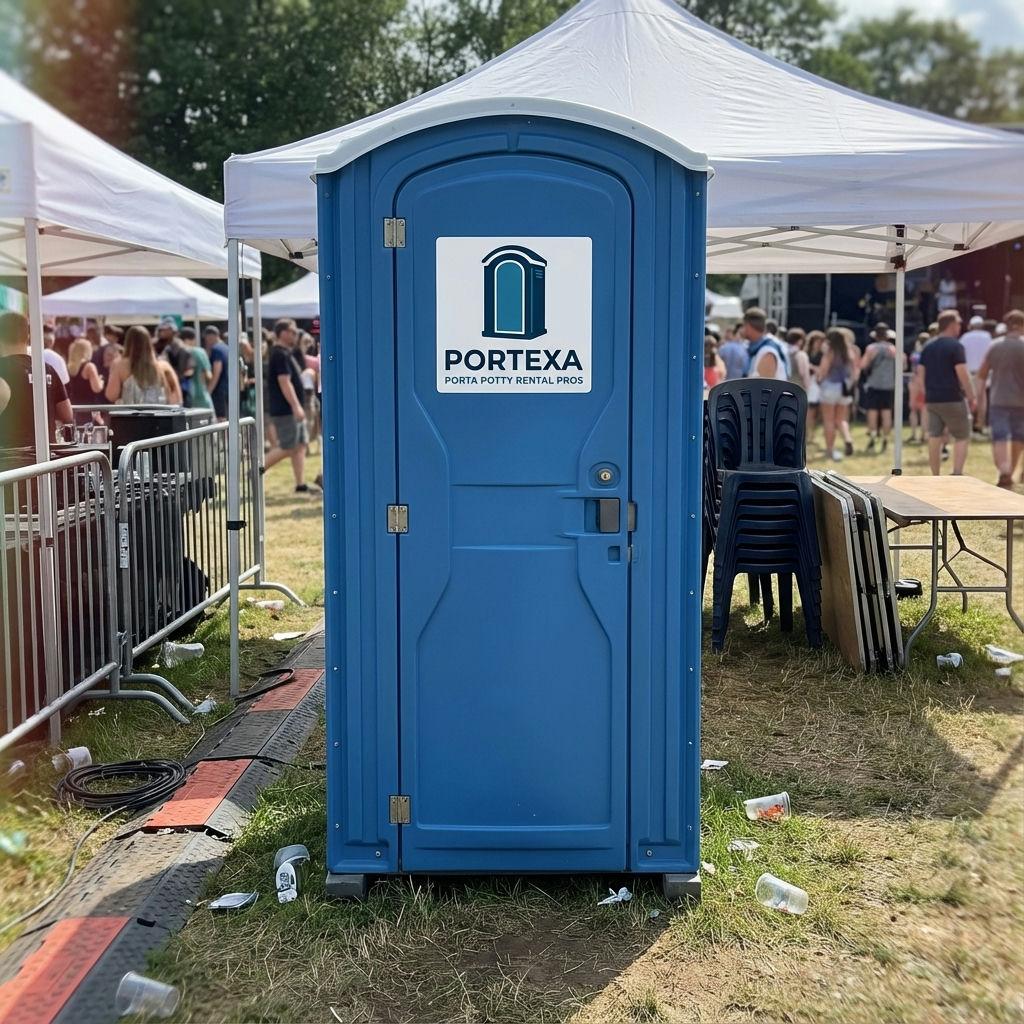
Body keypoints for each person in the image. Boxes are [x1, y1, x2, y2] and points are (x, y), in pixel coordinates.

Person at [0, 311, 73, 450]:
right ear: (28, 336)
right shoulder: (46, 369)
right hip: (47, 455)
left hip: (10, 456)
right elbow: (67, 415)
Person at [916, 309, 976, 476]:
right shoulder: (956, 346)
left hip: (932, 399)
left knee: (934, 435)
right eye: (958, 323)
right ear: (952, 325)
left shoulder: (928, 347)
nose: (960, 327)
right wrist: (971, 396)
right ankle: (957, 473)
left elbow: (920, 373)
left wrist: (926, 393)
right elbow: (962, 373)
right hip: (953, 398)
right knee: (962, 435)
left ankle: (935, 474)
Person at [265, 318, 316, 494]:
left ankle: (300, 484)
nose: (296, 335)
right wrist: (295, 406)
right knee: (288, 446)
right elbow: (284, 382)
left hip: (292, 408)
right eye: (292, 332)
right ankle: (256, 471)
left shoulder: (286, 353)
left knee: (300, 445)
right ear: (283, 333)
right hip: (286, 409)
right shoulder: (279, 354)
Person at [975, 309, 1024, 488]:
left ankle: (1004, 470)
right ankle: (1011, 470)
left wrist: (979, 398)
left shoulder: (994, 346)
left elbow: (981, 374)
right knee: (1018, 436)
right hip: (1021, 400)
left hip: (998, 399)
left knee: (1000, 436)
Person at [105, 325, 182, 405]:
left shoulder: (120, 365)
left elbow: (111, 395)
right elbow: (177, 397)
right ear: (148, 342)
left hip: (129, 412)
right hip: (159, 412)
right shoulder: (164, 366)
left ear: (127, 342)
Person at [816, 328, 859, 461]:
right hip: (844, 388)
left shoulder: (830, 352)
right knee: (841, 419)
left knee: (828, 420)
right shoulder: (849, 352)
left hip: (830, 386)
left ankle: (830, 449)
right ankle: (847, 439)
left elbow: (823, 370)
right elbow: (855, 372)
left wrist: (819, 380)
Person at [859, 323, 898, 453]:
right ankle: (885, 439)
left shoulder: (871, 348)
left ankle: (873, 437)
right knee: (887, 412)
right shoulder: (893, 349)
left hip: (874, 384)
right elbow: (902, 365)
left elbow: (863, 365)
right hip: (889, 385)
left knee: (872, 411)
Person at [959, 314, 992, 433]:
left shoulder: (965, 337)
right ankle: (980, 424)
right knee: (982, 398)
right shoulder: (987, 336)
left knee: (969, 397)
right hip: (984, 371)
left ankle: (969, 423)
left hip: (969, 371)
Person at [742, 307, 789, 379]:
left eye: (744, 325)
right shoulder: (759, 347)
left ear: (748, 326)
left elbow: (765, 385)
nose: (742, 330)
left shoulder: (767, 351)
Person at [155, 319, 193, 406]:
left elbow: (188, 370)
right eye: (161, 330)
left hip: (178, 388)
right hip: (163, 389)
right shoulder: (158, 346)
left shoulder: (181, 349)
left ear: (171, 331)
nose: (161, 332)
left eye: (165, 330)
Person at [907, 332, 931, 444]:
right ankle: (923, 434)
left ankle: (913, 434)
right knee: (925, 409)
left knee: (913, 409)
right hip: (926, 381)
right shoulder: (929, 354)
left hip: (915, 380)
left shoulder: (915, 355)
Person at [66, 338, 105, 405]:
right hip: (88, 407)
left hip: (74, 407)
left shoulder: (68, 367)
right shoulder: (89, 367)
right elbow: (97, 388)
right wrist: (101, 381)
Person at [204, 325, 230, 420]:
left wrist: (209, 391)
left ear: (210, 336)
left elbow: (216, 372)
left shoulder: (216, 349)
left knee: (221, 420)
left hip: (219, 391)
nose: (207, 342)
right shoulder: (226, 348)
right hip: (228, 389)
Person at [184, 327, 214, 412]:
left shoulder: (189, 352)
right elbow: (208, 375)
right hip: (203, 395)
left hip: (192, 396)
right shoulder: (201, 352)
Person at [805, 330, 825, 444]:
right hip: (806, 382)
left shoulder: (823, 355)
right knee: (808, 410)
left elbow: (822, 370)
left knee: (813, 410)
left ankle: (811, 434)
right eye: (817, 341)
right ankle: (808, 434)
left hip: (817, 384)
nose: (819, 344)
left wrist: (813, 367)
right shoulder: (805, 352)